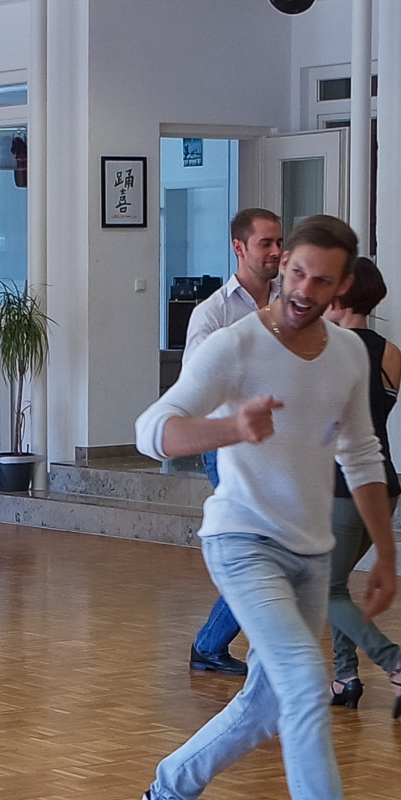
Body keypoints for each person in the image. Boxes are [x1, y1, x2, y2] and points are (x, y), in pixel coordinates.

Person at [131, 215, 401, 800]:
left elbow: (362, 454)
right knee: (305, 683)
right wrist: (231, 427)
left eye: (322, 280)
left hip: (312, 552)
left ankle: (169, 791)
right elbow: (150, 431)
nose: (305, 290)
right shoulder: (234, 346)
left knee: (266, 705)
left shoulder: (348, 356)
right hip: (241, 541)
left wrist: (385, 551)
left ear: (343, 286)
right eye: (297, 272)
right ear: (282, 266)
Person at [317, 257, 401, 717]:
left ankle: (394, 660)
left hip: (345, 486)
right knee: (337, 585)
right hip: (386, 485)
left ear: (341, 296)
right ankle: (345, 679)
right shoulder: (391, 352)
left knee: (324, 589)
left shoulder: (331, 351)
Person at [183, 209, 285, 675]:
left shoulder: (294, 304)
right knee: (255, 546)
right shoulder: (214, 313)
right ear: (239, 248)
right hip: (228, 444)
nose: (276, 252)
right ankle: (213, 645)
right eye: (266, 243)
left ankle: (213, 644)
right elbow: (201, 380)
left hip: (280, 442)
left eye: (279, 242)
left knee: (270, 547)